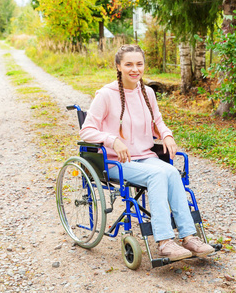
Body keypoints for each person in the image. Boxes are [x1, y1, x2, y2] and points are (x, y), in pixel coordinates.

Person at [79, 44, 214, 261]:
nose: (135, 69)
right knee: (158, 174)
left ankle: (189, 236)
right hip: (116, 163)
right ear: (118, 66)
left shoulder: (147, 92)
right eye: (129, 64)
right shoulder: (106, 95)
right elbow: (86, 130)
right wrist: (112, 140)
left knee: (171, 172)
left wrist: (167, 135)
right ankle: (164, 242)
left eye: (139, 64)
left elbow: (157, 122)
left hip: (145, 157)